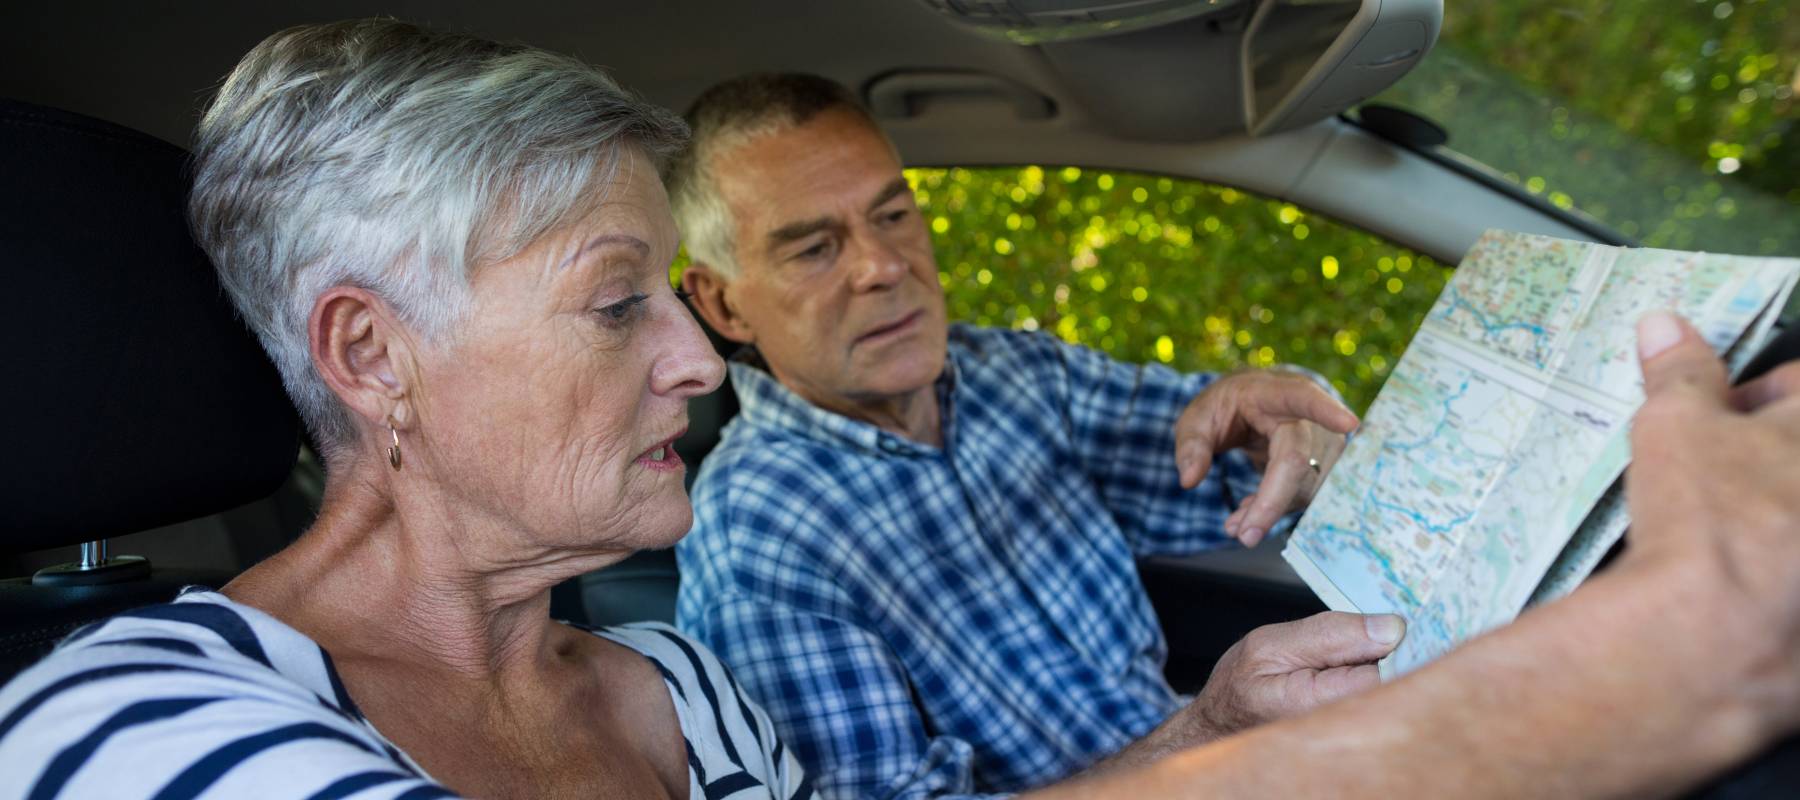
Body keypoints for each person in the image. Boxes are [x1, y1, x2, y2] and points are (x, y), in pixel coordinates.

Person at [0, 21, 806, 800]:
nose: (701, 362)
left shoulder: (686, 692)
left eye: (664, 287)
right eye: (618, 303)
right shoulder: (136, 728)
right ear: (372, 357)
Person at [669, 73, 1403, 799]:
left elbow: (1238, 456)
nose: (885, 267)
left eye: (892, 215)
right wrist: (1207, 736)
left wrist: (1286, 433)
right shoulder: (756, 541)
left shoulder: (1010, 373)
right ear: (723, 305)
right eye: (812, 250)